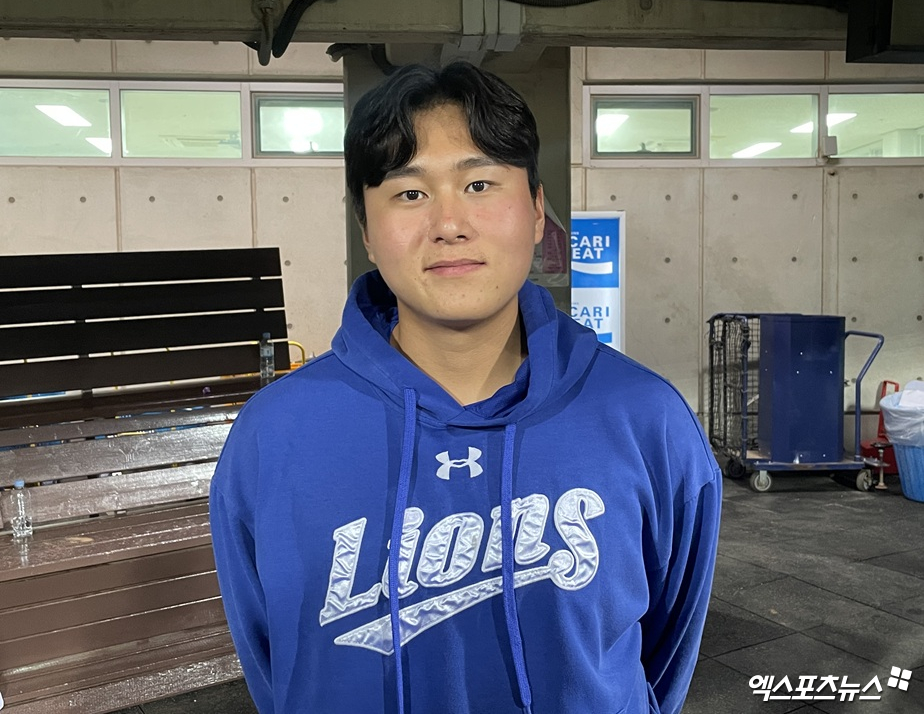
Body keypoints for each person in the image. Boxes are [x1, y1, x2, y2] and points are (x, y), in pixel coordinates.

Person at [209, 61, 722, 714]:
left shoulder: (645, 419)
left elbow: (666, 651)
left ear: (536, 212)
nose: (449, 223)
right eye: (409, 193)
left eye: (479, 184)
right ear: (367, 230)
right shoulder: (275, 433)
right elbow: (274, 664)